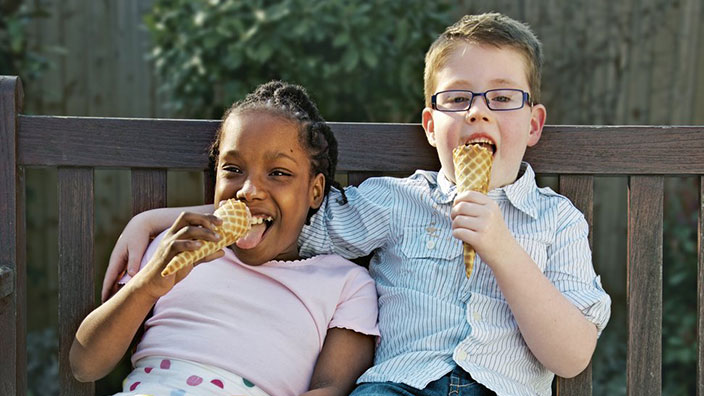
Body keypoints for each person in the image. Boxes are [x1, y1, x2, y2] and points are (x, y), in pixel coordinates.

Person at [102, 13, 611, 396]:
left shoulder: (557, 221)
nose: (478, 112)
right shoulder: (395, 202)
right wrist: (159, 219)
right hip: (397, 385)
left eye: (502, 98)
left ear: (534, 124)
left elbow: (569, 357)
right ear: (432, 127)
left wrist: (503, 250)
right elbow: (292, 221)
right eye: (457, 99)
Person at [71, 81, 379, 396]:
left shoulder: (346, 284)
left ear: (315, 191)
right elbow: (85, 366)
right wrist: (145, 287)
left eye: (278, 173)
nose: (248, 191)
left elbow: (331, 387)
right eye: (233, 169)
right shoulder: (174, 247)